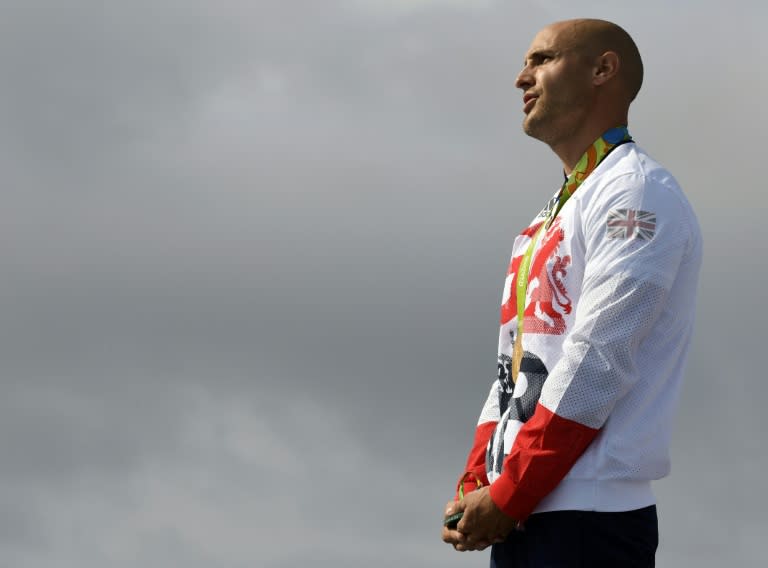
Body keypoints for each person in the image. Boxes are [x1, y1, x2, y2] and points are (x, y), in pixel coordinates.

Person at [441, 18, 702, 567]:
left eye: (541, 59)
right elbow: (514, 367)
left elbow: (598, 361)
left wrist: (510, 493)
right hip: (526, 509)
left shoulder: (638, 190)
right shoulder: (545, 219)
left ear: (602, 70)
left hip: (589, 516)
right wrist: (479, 479)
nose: (520, 78)